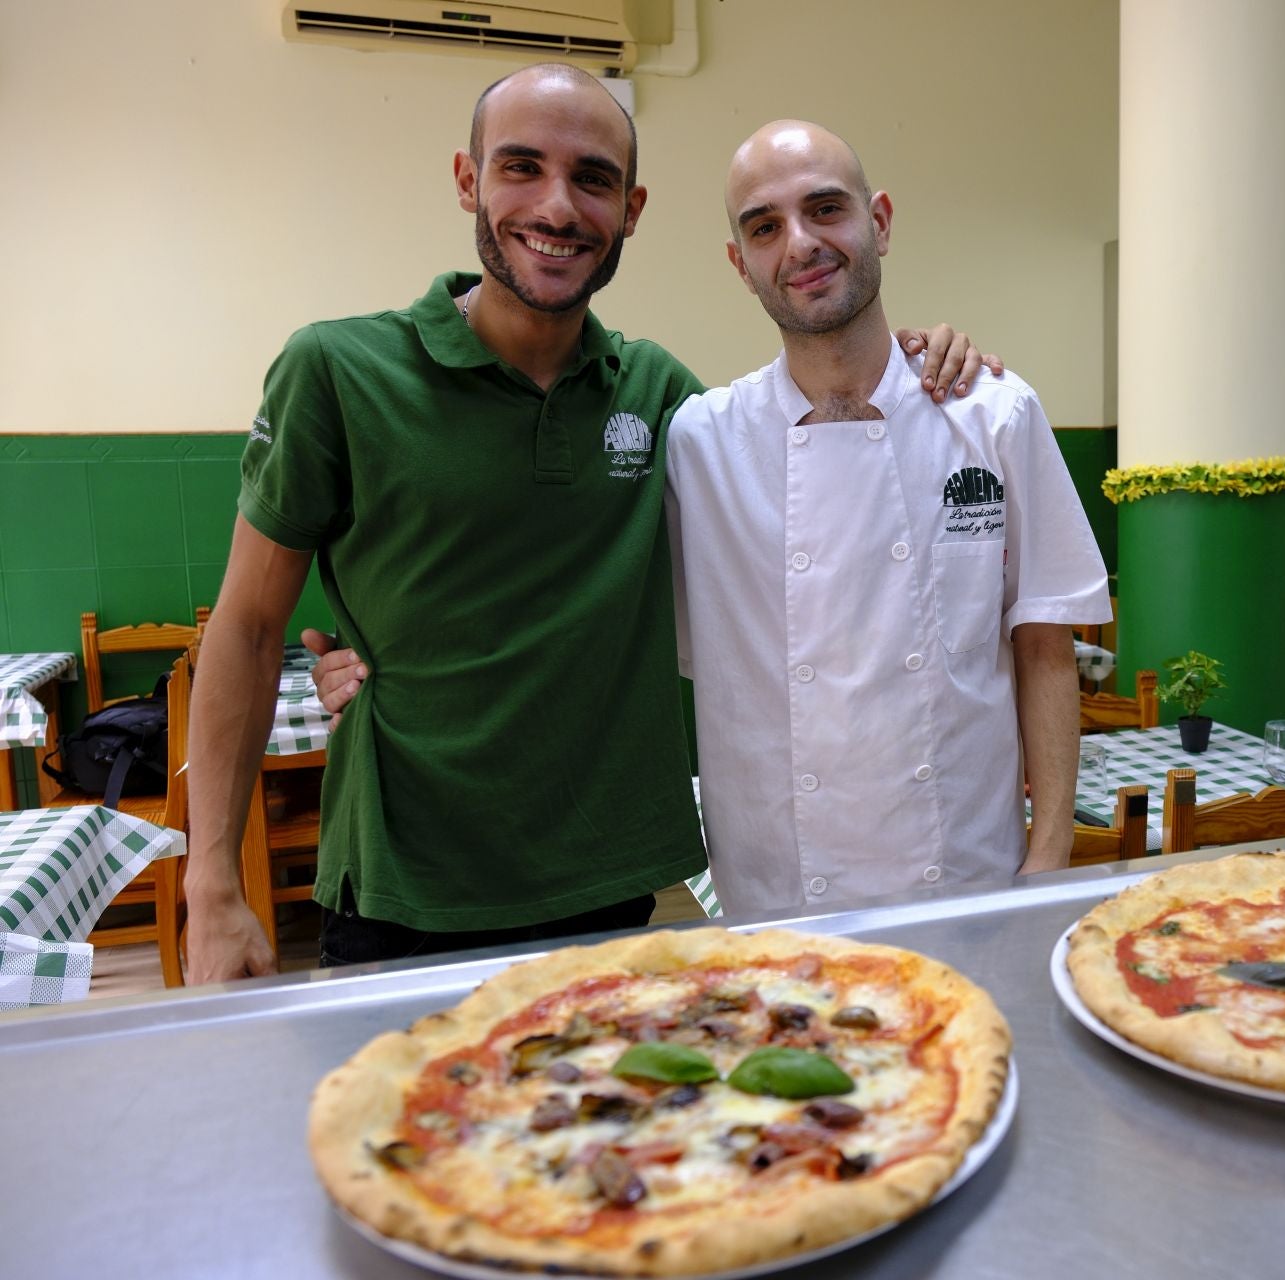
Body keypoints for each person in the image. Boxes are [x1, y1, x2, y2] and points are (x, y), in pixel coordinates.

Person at [185, 65, 990, 983]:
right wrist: (210, 882)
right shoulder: (336, 370)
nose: (557, 207)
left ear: (632, 208)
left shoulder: (662, 398)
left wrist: (925, 363)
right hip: (407, 894)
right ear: (467, 179)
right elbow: (246, 629)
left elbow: (823, 461)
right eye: (521, 167)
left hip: (613, 894)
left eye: (594, 179)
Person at [664, 120, 1109, 914]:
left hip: (970, 876)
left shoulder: (994, 416)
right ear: (741, 264)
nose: (800, 243)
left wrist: (1049, 859)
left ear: (881, 222)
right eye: (764, 227)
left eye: (826, 209)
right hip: (776, 893)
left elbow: (1044, 643)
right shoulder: (701, 443)